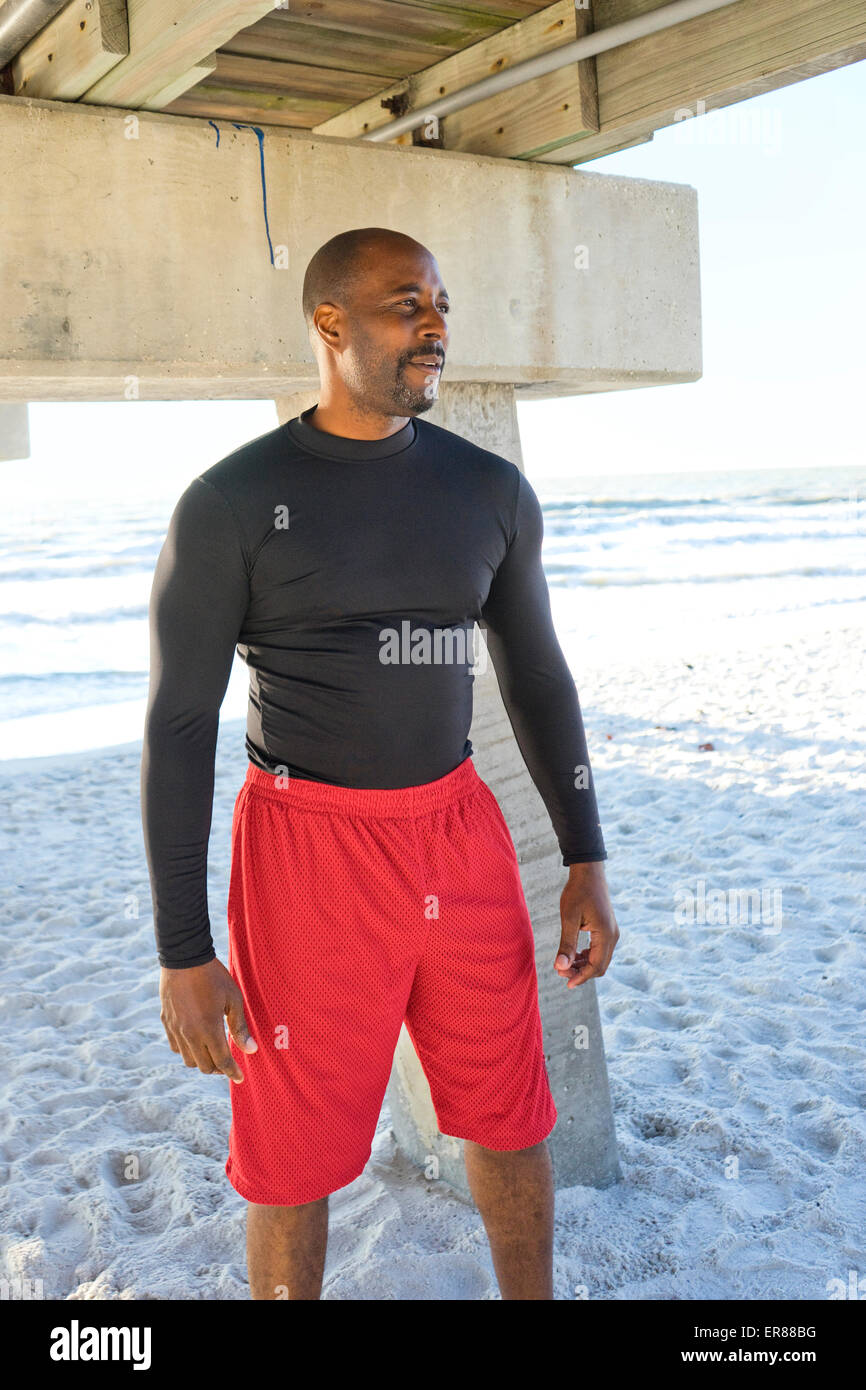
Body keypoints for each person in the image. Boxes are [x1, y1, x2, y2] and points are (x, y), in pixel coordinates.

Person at [141, 227, 619, 1301]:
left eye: (441, 303)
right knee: (290, 1152)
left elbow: (537, 678)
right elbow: (179, 723)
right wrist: (184, 949)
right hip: (305, 853)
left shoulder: (488, 492)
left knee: (507, 1108)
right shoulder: (227, 505)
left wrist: (583, 856)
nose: (436, 327)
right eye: (408, 304)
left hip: (456, 832)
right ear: (329, 324)